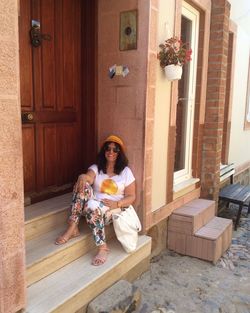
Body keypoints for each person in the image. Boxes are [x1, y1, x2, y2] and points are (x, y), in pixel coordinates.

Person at [55, 135, 136, 266]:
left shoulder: (125, 171)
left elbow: (132, 196)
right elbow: (89, 177)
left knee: (92, 206)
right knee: (83, 185)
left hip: (112, 210)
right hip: (92, 205)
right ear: (104, 151)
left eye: (115, 150)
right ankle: (73, 226)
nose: (111, 152)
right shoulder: (97, 167)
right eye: (108, 148)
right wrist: (83, 176)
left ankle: (103, 248)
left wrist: (117, 203)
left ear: (120, 153)